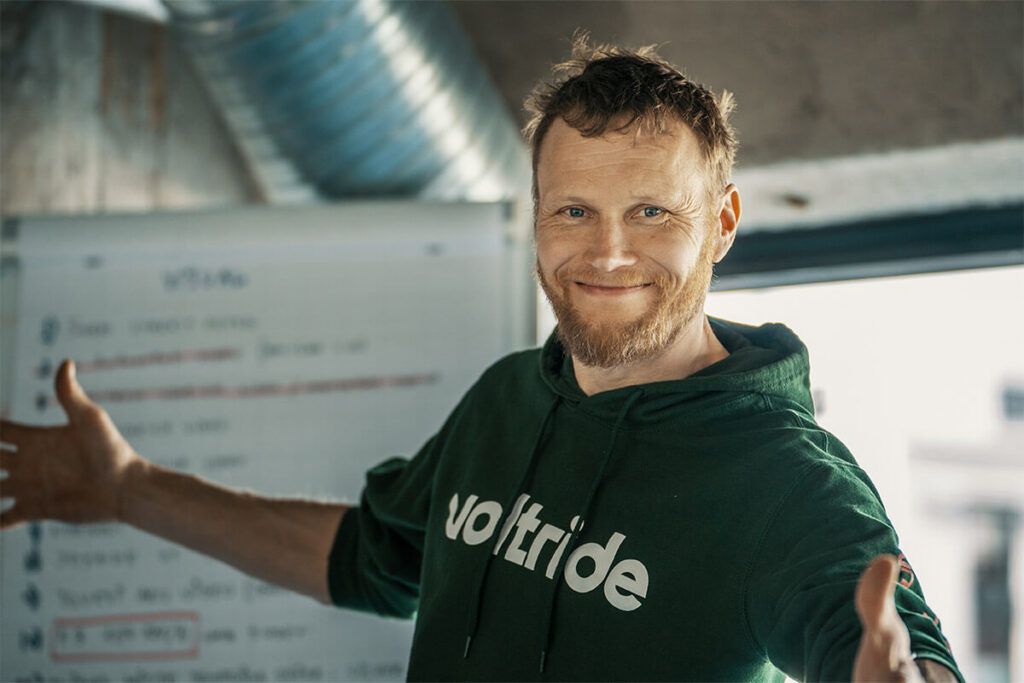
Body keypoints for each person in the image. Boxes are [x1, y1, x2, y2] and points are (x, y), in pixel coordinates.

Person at [1, 37, 962, 682]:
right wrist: (129, 488)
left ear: (723, 223)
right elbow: (375, 557)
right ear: (536, 218)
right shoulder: (506, 398)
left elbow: (889, 643)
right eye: (573, 210)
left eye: (653, 214)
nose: (608, 253)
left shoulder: (790, 483)